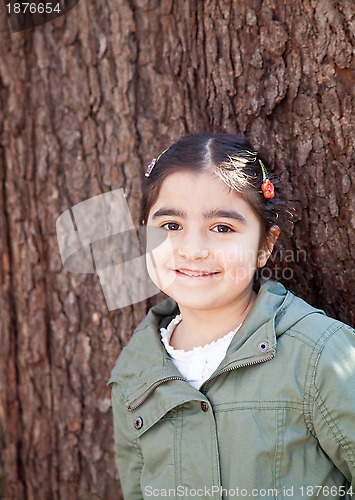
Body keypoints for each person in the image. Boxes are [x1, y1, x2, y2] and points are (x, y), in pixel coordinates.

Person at [108, 133, 355, 499]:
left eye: (222, 228)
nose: (193, 250)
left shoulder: (321, 355)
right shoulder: (134, 373)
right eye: (171, 226)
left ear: (264, 246)